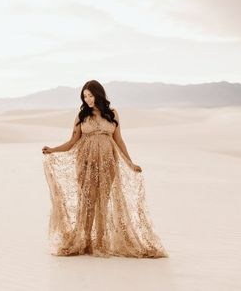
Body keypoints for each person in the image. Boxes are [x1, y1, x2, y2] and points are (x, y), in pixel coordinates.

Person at [42, 80, 169, 258]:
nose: (88, 100)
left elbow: (119, 141)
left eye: (90, 95)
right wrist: (53, 150)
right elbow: (72, 141)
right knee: (88, 202)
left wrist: (130, 163)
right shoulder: (81, 115)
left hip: (108, 163)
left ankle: (100, 242)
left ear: (98, 94)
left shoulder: (112, 113)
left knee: (103, 200)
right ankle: (84, 241)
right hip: (86, 163)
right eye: (85, 96)